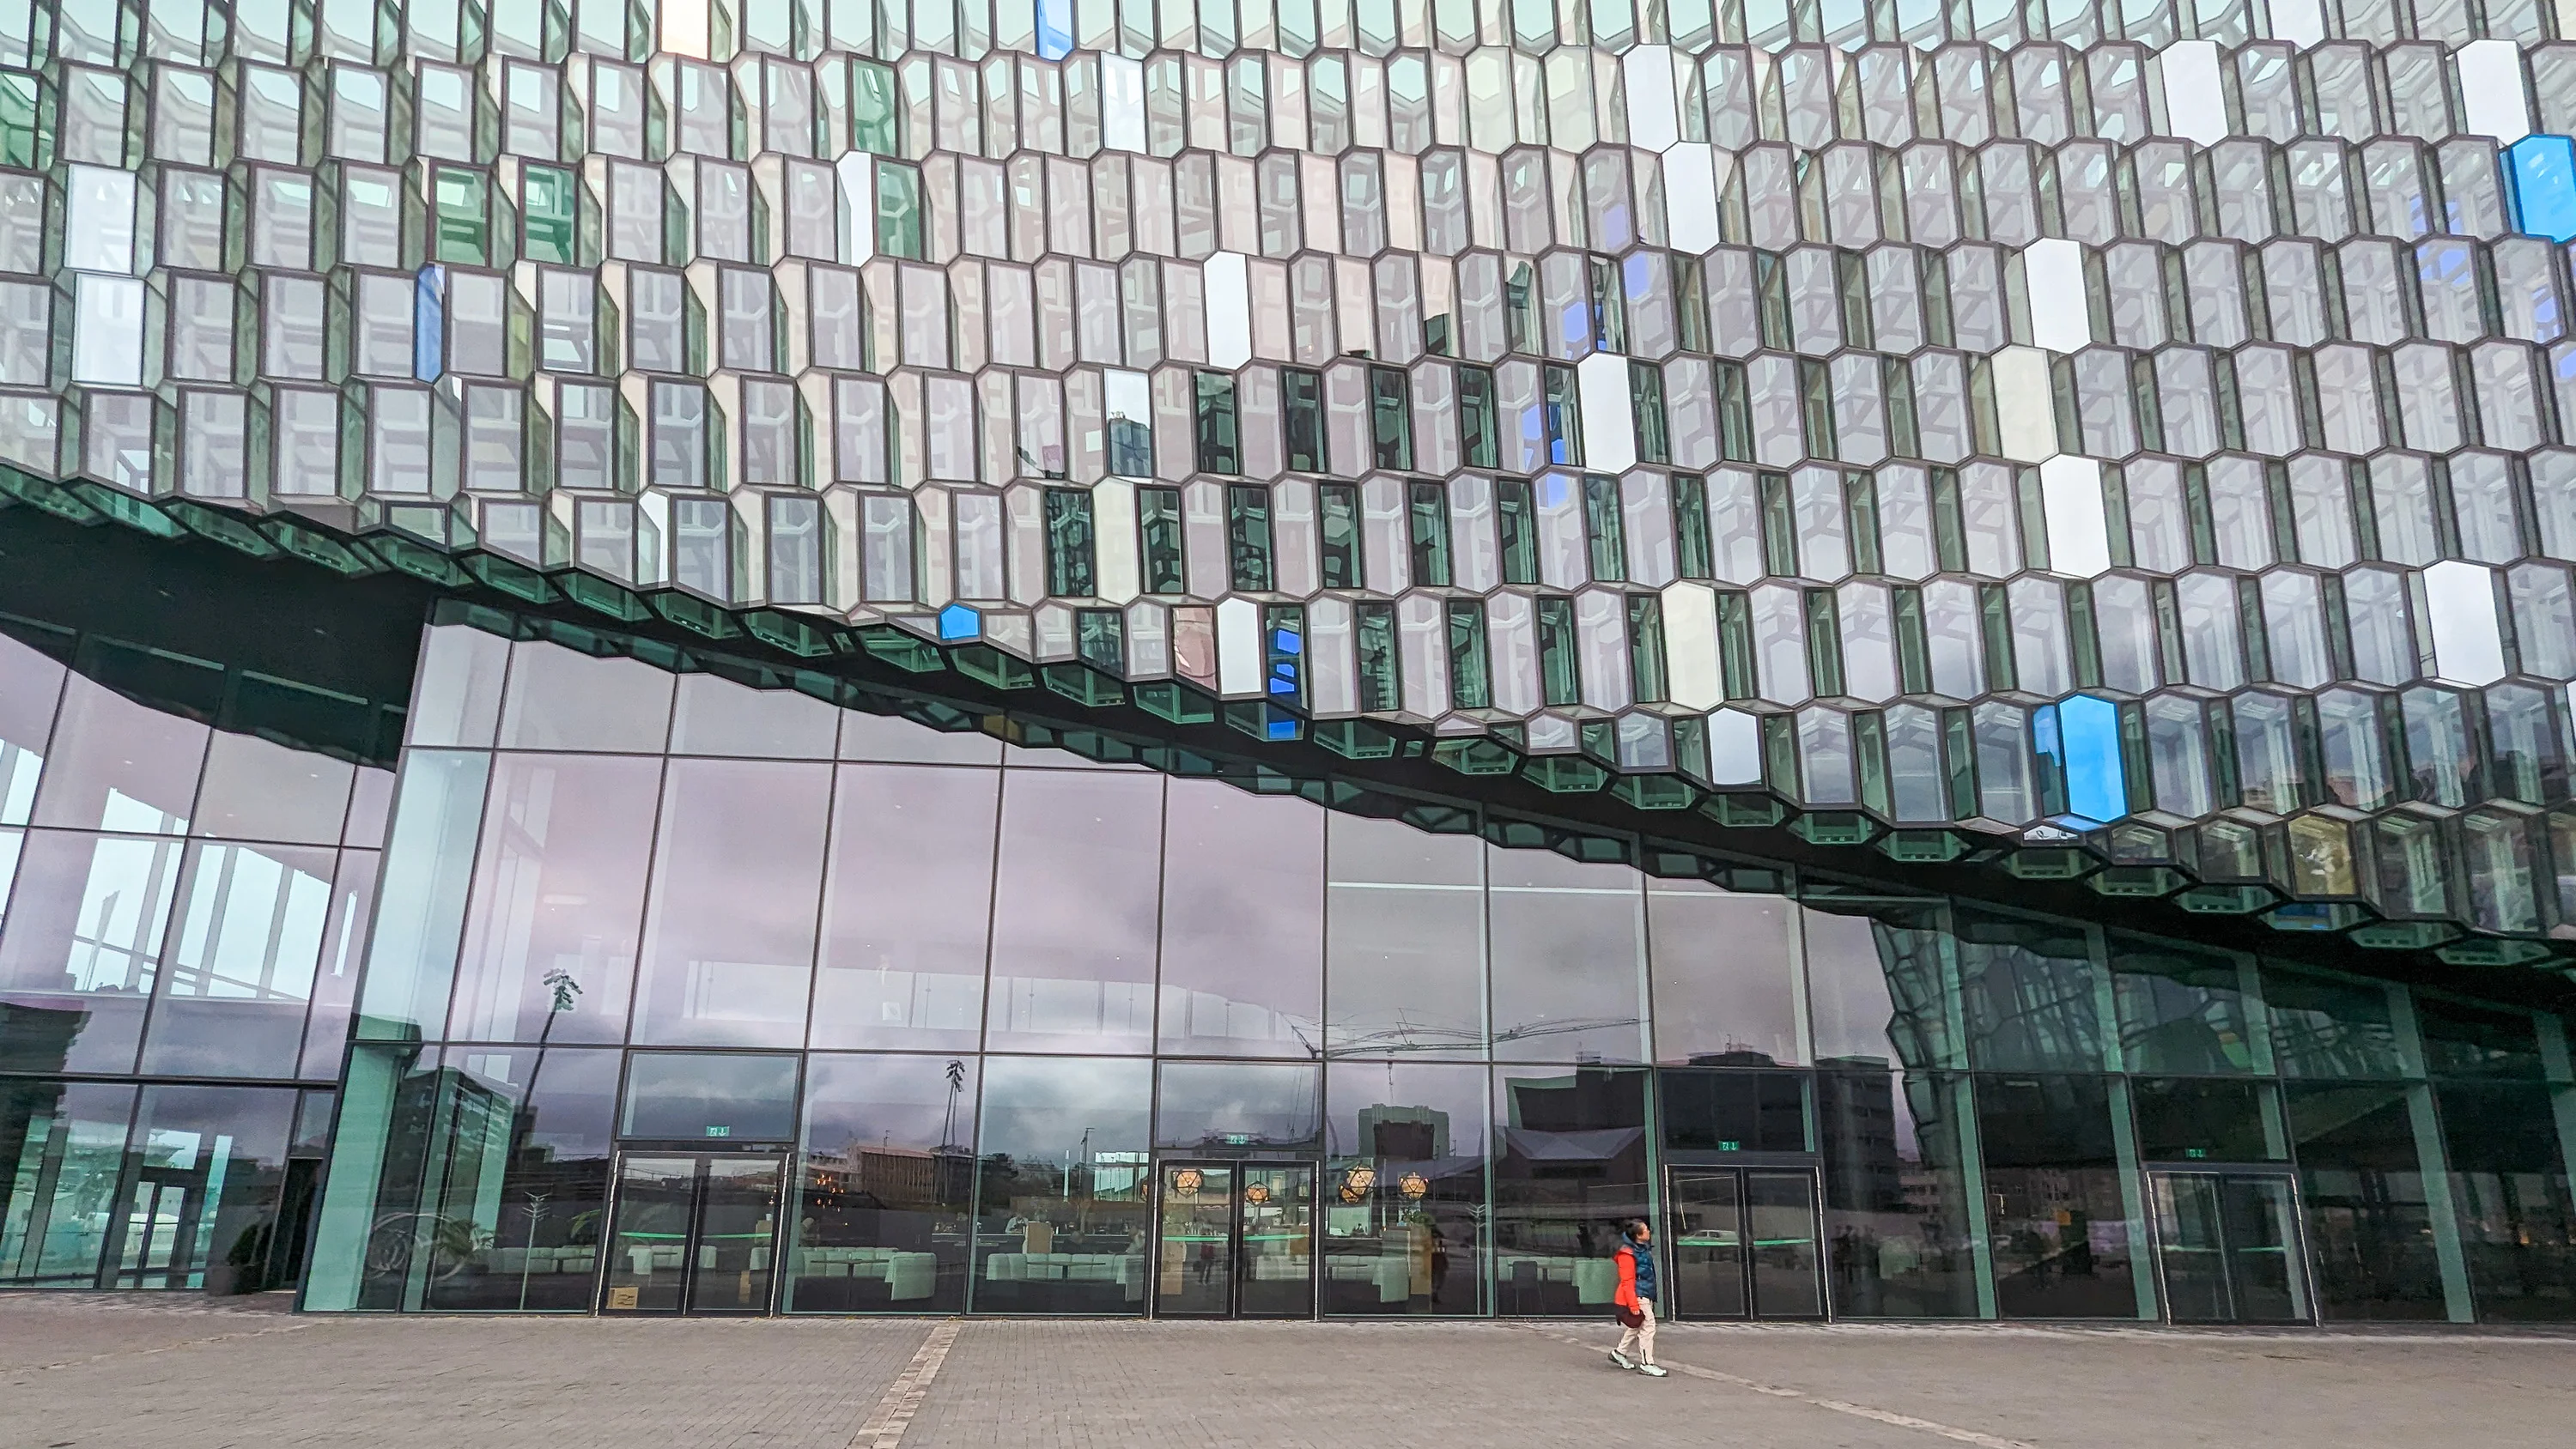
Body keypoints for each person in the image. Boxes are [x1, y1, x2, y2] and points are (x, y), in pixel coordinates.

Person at [1608, 1220, 1668, 1377]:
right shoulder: (1627, 1254)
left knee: (1637, 1325)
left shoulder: (1639, 1249)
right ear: (1638, 1236)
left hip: (1644, 1293)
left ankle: (1619, 1352)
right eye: (1646, 1230)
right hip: (1638, 1295)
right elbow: (1627, 1281)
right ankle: (1647, 1363)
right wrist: (1633, 1305)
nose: (1649, 1232)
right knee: (1648, 1327)